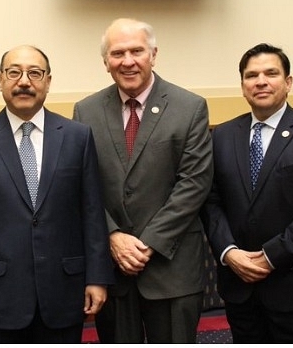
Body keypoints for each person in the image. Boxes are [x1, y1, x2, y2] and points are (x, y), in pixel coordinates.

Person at [0, 44, 115, 343]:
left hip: (64, 292)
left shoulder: (78, 137)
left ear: (48, 82)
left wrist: (97, 278)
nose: (24, 81)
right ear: (0, 80)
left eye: (34, 73)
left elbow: (91, 213)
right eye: (14, 72)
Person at [73, 18, 214, 343]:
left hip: (172, 267)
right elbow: (83, 185)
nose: (128, 61)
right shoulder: (86, 111)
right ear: (106, 62)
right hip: (113, 268)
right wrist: (112, 237)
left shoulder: (189, 108)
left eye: (136, 51)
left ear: (153, 54)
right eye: (117, 53)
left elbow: (194, 184)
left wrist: (146, 243)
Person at [201, 43, 293, 343]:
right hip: (241, 287)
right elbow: (211, 202)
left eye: (271, 73)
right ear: (242, 86)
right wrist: (229, 252)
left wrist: (269, 257)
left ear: (288, 82)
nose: (261, 81)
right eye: (251, 75)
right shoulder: (223, 135)